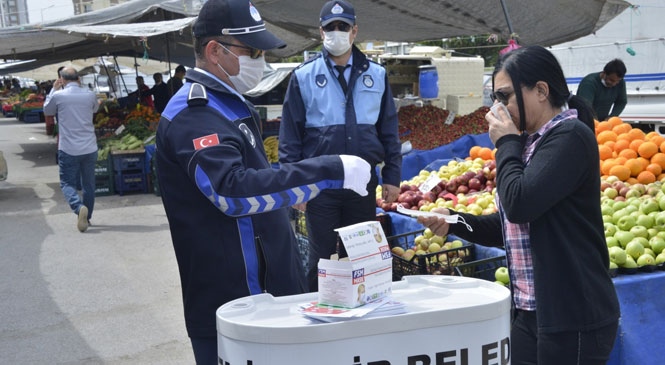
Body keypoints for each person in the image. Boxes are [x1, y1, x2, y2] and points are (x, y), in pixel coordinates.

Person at [155, 0, 372, 362]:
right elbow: (232, 192)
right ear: (214, 51)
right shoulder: (195, 115)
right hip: (236, 303)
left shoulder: (227, 104)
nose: (261, 61)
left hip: (266, 294)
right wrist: (326, 170)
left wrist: (293, 192)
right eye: (252, 51)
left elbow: (257, 180)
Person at [417, 46, 620, 364]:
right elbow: (512, 225)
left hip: (572, 317)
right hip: (530, 311)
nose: (497, 109)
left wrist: (506, 143)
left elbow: (520, 204)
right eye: (495, 98)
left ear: (541, 91)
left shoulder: (570, 137)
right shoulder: (530, 144)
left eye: (505, 97)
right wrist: (455, 221)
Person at [279, 0, 402, 292]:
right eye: (330, 28)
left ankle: (359, 320)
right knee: (320, 260)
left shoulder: (378, 75)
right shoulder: (303, 76)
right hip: (321, 185)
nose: (337, 32)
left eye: (343, 27)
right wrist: (295, 184)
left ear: (354, 31)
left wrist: (393, 177)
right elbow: (290, 136)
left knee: (361, 259)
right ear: (321, 32)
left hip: (362, 185)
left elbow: (389, 130)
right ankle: (316, 322)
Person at [43, 67, 100, 233]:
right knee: (89, 184)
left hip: (68, 148)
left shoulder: (59, 95)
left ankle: (78, 207)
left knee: (67, 182)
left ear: (62, 79)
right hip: (89, 146)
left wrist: (53, 89)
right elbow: (95, 109)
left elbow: (47, 111)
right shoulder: (89, 94)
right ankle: (86, 217)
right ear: (78, 79)